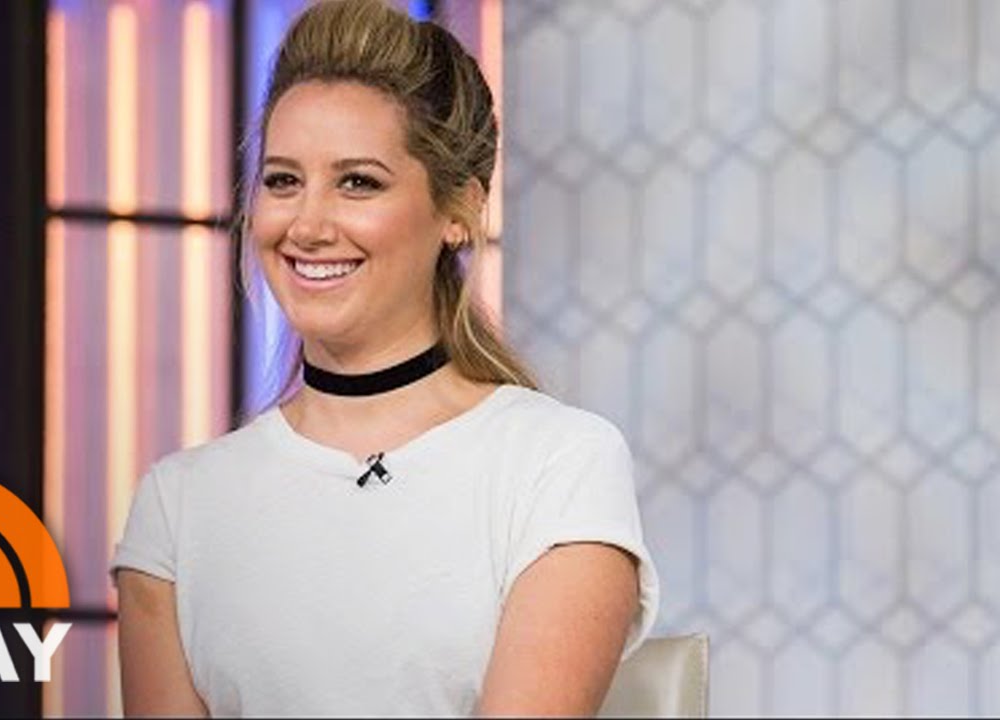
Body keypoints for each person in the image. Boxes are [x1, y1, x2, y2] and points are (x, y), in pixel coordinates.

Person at [111, 0, 658, 715]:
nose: (307, 225)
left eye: (358, 182)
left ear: (460, 210)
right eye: (282, 181)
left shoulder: (556, 465)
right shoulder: (178, 506)